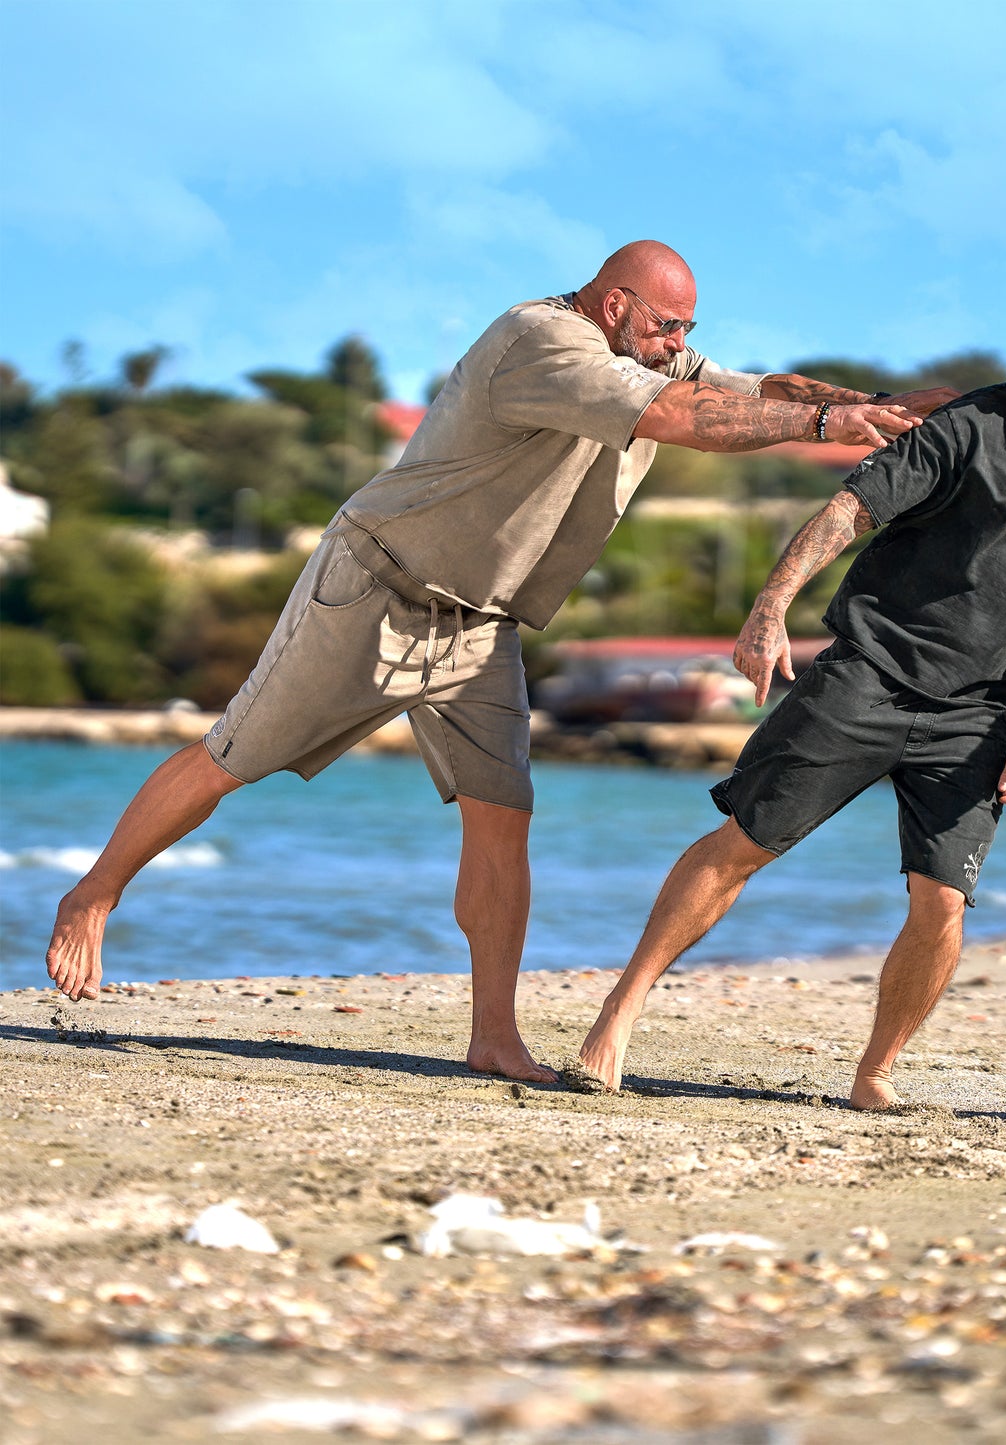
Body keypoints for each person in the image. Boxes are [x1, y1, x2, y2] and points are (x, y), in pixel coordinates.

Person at [45, 240, 952, 1083]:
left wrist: (888, 411)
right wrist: (831, 420)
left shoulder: (650, 350)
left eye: (689, 330)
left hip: (482, 624)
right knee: (231, 757)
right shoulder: (540, 344)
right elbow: (685, 416)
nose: (680, 345)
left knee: (501, 815)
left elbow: (759, 388)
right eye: (665, 325)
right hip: (377, 591)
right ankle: (95, 893)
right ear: (613, 304)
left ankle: (492, 1036)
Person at [573, 273, 1006, 1110]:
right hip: (870, 673)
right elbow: (851, 508)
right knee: (744, 842)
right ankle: (616, 1015)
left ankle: (875, 1069)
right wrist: (769, 608)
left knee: (943, 899)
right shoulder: (970, 425)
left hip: (984, 713)